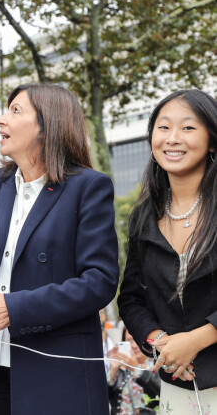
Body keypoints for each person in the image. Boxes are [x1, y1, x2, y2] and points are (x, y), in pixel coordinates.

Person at [0, 82, 119, 415]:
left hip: (54, 377)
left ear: (48, 126)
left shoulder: (89, 187)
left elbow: (99, 281)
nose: (1, 120)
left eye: (15, 111)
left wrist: (15, 309)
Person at [118, 89, 217, 413]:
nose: (173, 138)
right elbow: (131, 299)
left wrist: (197, 339)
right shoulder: (144, 215)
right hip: (179, 386)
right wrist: (162, 342)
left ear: (212, 140)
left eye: (188, 128)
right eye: (163, 128)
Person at [107, 328, 160, 415]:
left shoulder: (157, 364)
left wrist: (136, 368)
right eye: (130, 340)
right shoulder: (122, 367)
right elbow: (104, 397)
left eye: (138, 339)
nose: (134, 345)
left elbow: (159, 391)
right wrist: (113, 369)